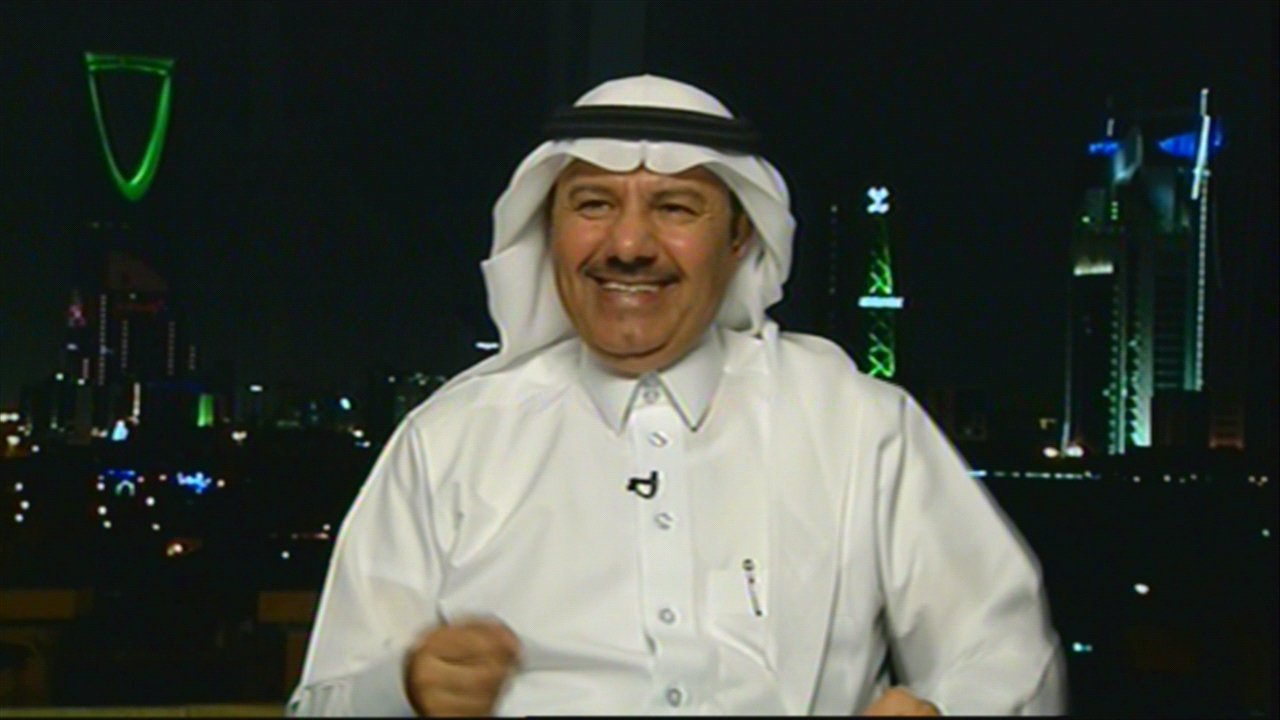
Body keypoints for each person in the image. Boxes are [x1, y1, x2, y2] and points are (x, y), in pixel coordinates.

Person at [287, 75, 1067, 716]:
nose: (628, 246)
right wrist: (407, 690)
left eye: (674, 208)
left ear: (738, 239)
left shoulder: (860, 424)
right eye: (593, 204)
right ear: (549, 230)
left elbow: (1003, 654)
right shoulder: (448, 440)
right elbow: (323, 702)